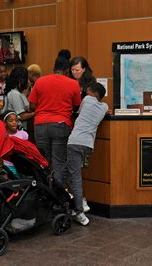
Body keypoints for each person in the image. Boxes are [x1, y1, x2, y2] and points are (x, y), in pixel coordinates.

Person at [28, 56, 81, 187]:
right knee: (59, 162)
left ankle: (44, 193)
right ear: (67, 71)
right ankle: (57, 197)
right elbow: (77, 106)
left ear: (53, 69)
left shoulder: (40, 81)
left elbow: (32, 106)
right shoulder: (73, 84)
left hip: (40, 125)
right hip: (61, 125)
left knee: (43, 161)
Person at [63, 82, 108, 225]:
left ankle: (79, 210)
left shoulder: (87, 100)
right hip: (87, 145)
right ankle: (75, 198)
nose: (85, 94)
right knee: (64, 173)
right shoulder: (104, 107)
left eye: (87, 91)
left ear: (94, 93)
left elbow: (79, 111)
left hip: (75, 142)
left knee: (74, 176)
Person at [2, 111, 29, 176]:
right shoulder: (4, 136)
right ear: (5, 123)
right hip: (7, 163)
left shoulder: (23, 134)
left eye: (16, 120)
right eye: (11, 121)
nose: (14, 123)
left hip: (21, 163)